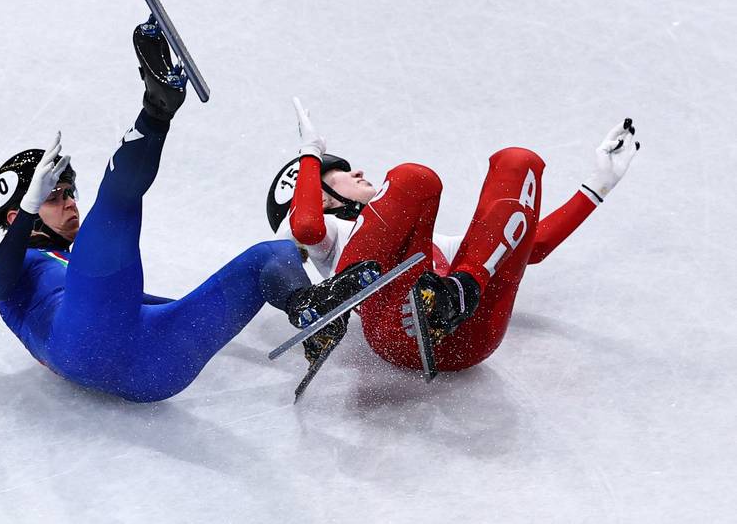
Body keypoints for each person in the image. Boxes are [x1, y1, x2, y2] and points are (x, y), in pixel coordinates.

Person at [0, 17, 380, 402]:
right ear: (16, 217)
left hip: (151, 368)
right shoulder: (15, 265)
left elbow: (143, 303)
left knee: (269, 256)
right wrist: (31, 207)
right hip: (80, 344)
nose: (68, 202)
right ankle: (156, 109)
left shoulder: (81, 265)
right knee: (115, 204)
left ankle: (309, 309)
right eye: (53, 196)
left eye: (69, 191)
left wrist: (206, 307)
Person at [267, 97, 640, 373]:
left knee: (518, 161)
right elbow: (306, 226)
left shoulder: (433, 247)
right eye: (342, 176)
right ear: (320, 197)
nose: (359, 171)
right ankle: (342, 298)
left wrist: (598, 186)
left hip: (470, 333)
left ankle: (458, 291)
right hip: (395, 332)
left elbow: (529, 247)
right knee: (414, 178)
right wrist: (310, 152)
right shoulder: (333, 235)